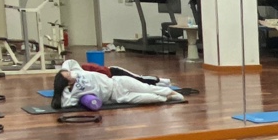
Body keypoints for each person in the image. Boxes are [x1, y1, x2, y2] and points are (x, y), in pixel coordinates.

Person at [50, 59, 184, 110]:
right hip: (116, 97)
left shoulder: (77, 71)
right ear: (67, 84)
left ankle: (171, 92)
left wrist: (64, 71)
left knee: (147, 88)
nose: (71, 75)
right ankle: (167, 97)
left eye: (68, 73)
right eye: (68, 76)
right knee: (148, 98)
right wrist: (64, 90)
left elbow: (69, 62)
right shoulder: (74, 93)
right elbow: (65, 103)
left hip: (118, 82)